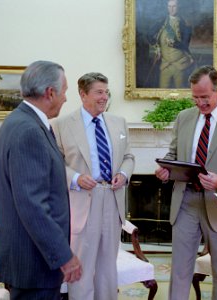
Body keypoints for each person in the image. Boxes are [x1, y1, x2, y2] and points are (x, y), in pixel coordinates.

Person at [155, 65, 217, 300]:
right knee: (179, 271)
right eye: (195, 97)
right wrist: (166, 169)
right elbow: (173, 154)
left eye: (205, 97)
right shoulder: (184, 117)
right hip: (185, 202)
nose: (199, 103)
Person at [0, 60, 82, 300]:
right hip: (33, 263)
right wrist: (64, 256)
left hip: (29, 260)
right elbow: (33, 206)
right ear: (50, 93)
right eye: (64, 91)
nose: (65, 98)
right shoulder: (28, 130)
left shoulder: (20, 121)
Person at [51, 72, 135, 300]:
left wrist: (123, 174)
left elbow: (129, 156)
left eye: (106, 92)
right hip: (82, 201)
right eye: (99, 92)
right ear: (83, 94)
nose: (104, 97)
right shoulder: (61, 125)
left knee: (108, 267)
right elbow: (54, 164)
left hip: (113, 198)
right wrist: (76, 178)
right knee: (83, 266)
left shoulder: (119, 122)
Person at [148, 0, 195, 88]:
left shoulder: (185, 24)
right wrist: (157, 47)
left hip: (180, 65)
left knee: (180, 92)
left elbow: (185, 44)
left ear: (179, 7)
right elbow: (149, 35)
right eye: (169, 6)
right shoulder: (161, 22)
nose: (171, 9)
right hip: (165, 65)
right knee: (163, 92)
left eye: (174, 6)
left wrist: (175, 43)